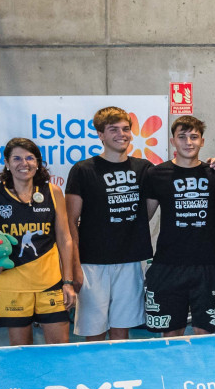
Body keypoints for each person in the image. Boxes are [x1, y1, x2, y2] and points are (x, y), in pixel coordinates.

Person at [0, 138, 76, 346]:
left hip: (50, 282)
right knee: (22, 353)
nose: (24, 163)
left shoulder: (52, 192)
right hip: (12, 285)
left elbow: (65, 238)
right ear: (7, 162)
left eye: (30, 158)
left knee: (60, 351)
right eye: (17, 158)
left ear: (38, 162)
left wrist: (68, 281)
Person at [65, 105, 152, 340]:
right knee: (94, 331)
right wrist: (75, 267)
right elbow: (70, 222)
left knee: (122, 329)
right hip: (93, 262)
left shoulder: (143, 168)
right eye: (113, 129)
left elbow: (150, 207)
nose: (121, 134)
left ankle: (118, 374)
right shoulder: (83, 170)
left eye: (125, 129)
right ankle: (96, 376)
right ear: (100, 135)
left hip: (130, 259)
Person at [141, 116, 215, 337]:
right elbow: (144, 217)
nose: (189, 142)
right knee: (171, 332)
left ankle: (204, 373)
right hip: (168, 264)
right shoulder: (156, 174)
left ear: (202, 141)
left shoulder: (213, 173)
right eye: (182, 137)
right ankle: (170, 373)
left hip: (207, 264)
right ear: (172, 141)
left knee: (205, 331)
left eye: (194, 137)